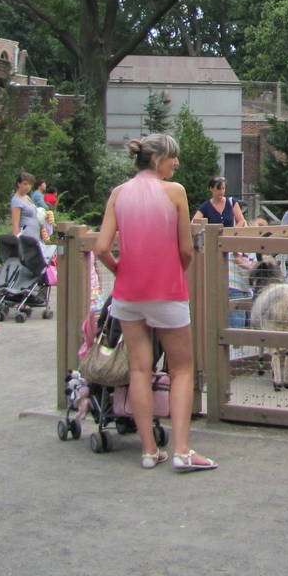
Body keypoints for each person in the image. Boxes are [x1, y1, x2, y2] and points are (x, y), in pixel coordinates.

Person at [94, 132, 216, 472]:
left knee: (138, 369)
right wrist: (181, 270)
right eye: (173, 157)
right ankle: (181, 450)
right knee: (181, 369)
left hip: (128, 295)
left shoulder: (118, 194)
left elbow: (102, 247)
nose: (176, 163)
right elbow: (185, 249)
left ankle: (149, 451)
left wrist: (121, 272)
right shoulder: (174, 192)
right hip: (167, 291)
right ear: (159, 160)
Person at [9, 172, 42, 240]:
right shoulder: (16, 200)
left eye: (30, 184)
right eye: (25, 184)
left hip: (35, 236)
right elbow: (15, 225)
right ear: (19, 184)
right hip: (25, 238)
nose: (28, 186)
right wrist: (17, 243)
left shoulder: (27, 197)